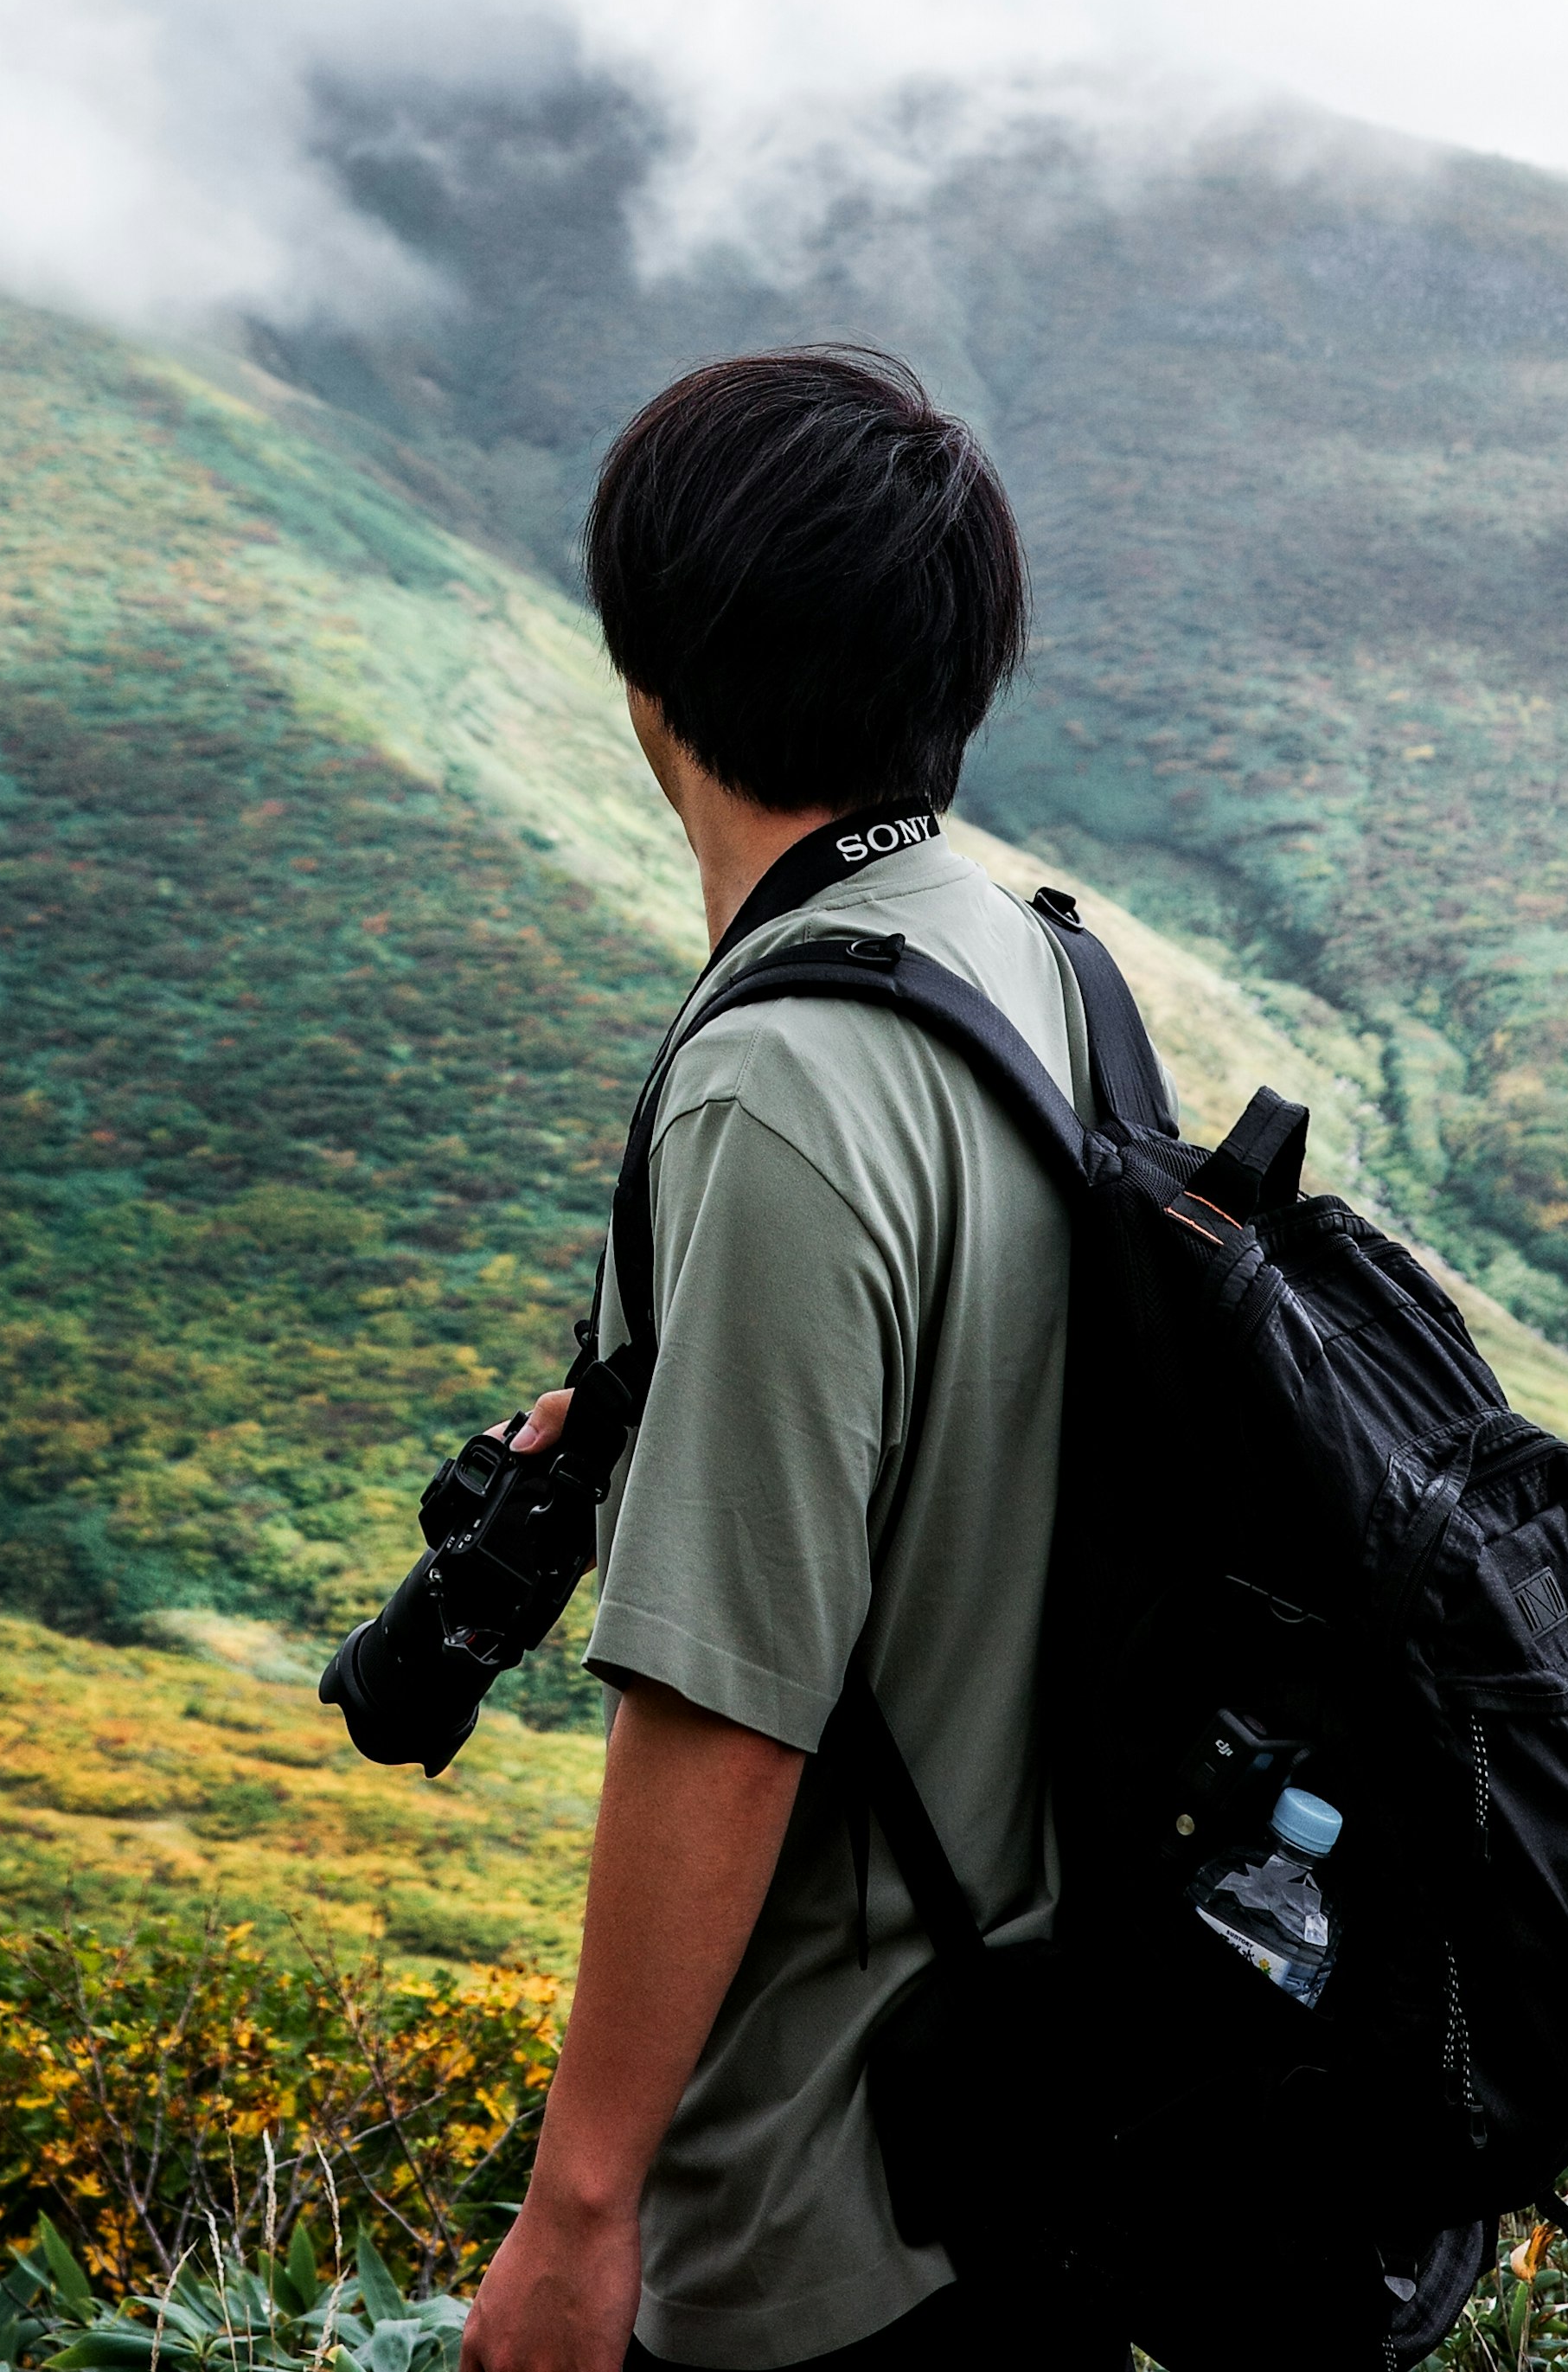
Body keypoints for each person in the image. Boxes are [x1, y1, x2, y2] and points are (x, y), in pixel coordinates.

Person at [458, 345, 1140, 2372]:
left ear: (648, 671)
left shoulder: (778, 1086)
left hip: (823, 2214)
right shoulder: (1033, 942)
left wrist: (581, 2212)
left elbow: (727, 1707)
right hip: (1042, 2112)